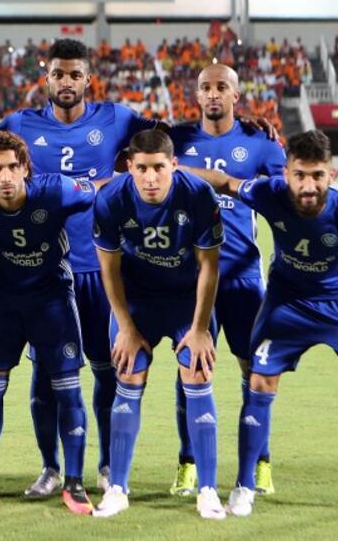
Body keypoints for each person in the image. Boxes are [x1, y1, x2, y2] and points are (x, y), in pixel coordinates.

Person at [0, 38, 156, 495]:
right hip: (45, 274)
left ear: (88, 79)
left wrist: (246, 127)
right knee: (46, 374)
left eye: (74, 75)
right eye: (59, 74)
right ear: (47, 78)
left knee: (107, 369)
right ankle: (50, 467)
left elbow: (178, 137)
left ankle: (103, 466)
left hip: (102, 270)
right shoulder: (19, 124)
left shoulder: (117, 118)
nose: (66, 82)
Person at [180, 130, 338, 517]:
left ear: (331, 175)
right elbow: (227, 182)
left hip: (334, 303)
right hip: (287, 303)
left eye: (317, 175)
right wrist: (175, 169)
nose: (308, 185)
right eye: (300, 175)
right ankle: (245, 485)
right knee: (259, 380)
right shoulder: (270, 193)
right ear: (286, 174)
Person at [0, 131, 97, 514]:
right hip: (4, 301)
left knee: (67, 390)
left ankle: (75, 484)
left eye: (14, 166)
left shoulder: (56, 191)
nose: (6, 176)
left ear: (26, 168)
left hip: (52, 297)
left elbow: (98, 190)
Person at [92, 130, 226, 520]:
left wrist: (199, 329)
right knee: (128, 373)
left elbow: (209, 267)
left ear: (174, 165)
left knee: (197, 374)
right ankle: (117, 488)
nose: (151, 178)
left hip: (188, 300)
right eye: (142, 169)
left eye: (159, 168)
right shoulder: (112, 199)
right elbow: (109, 270)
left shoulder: (199, 195)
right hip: (138, 301)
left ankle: (208, 490)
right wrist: (128, 327)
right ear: (129, 167)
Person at [169, 63, 285, 496]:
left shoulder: (259, 142)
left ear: (237, 94)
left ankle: (260, 463)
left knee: (256, 370)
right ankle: (189, 461)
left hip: (242, 278)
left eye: (222, 87)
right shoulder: (176, 140)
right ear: (196, 95)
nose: (213, 94)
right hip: (191, 278)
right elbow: (136, 151)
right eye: (205, 87)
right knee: (190, 369)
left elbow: (284, 198)